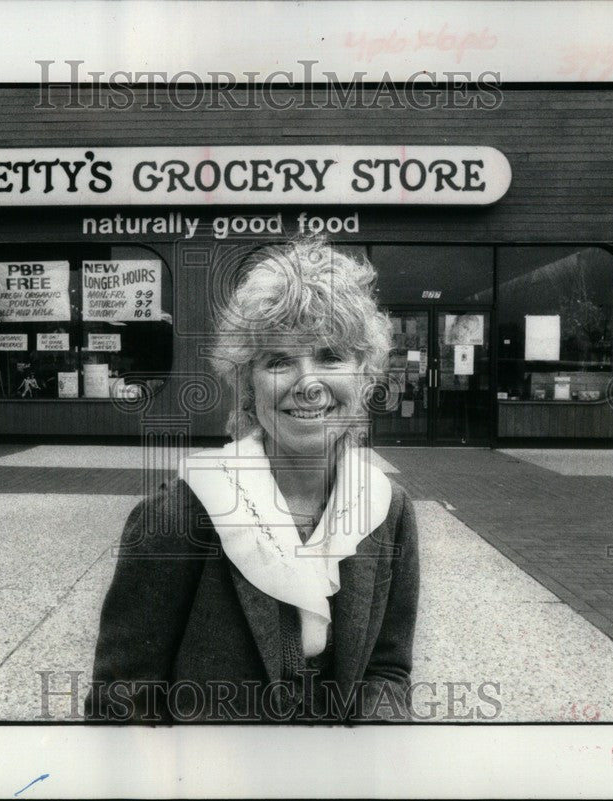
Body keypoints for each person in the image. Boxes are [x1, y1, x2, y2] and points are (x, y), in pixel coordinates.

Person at [86, 238, 419, 724]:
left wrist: (372, 753)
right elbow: (123, 701)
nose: (308, 383)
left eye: (330, 356)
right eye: (279, 361)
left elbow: (387, 669)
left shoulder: (388, 509)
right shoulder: (178, 515)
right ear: (248, 385)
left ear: (364, 377)